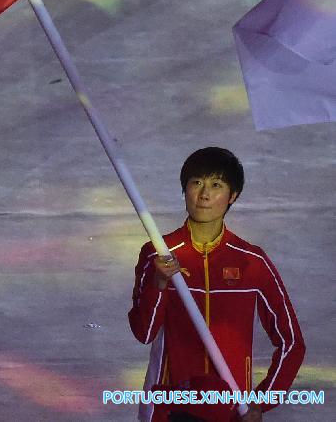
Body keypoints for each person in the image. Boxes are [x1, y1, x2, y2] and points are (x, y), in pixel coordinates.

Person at [129, 147, 305, 422]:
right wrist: (159, 282)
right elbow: (145, 332)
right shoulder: (157, 253)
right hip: (170, 408)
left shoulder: (252, 261)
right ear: (184, 189)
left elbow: (291, 342)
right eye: (196, 182)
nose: (204, 195)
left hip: (231, 411)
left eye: (216, 185)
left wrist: (262, 401)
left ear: (232, 195)